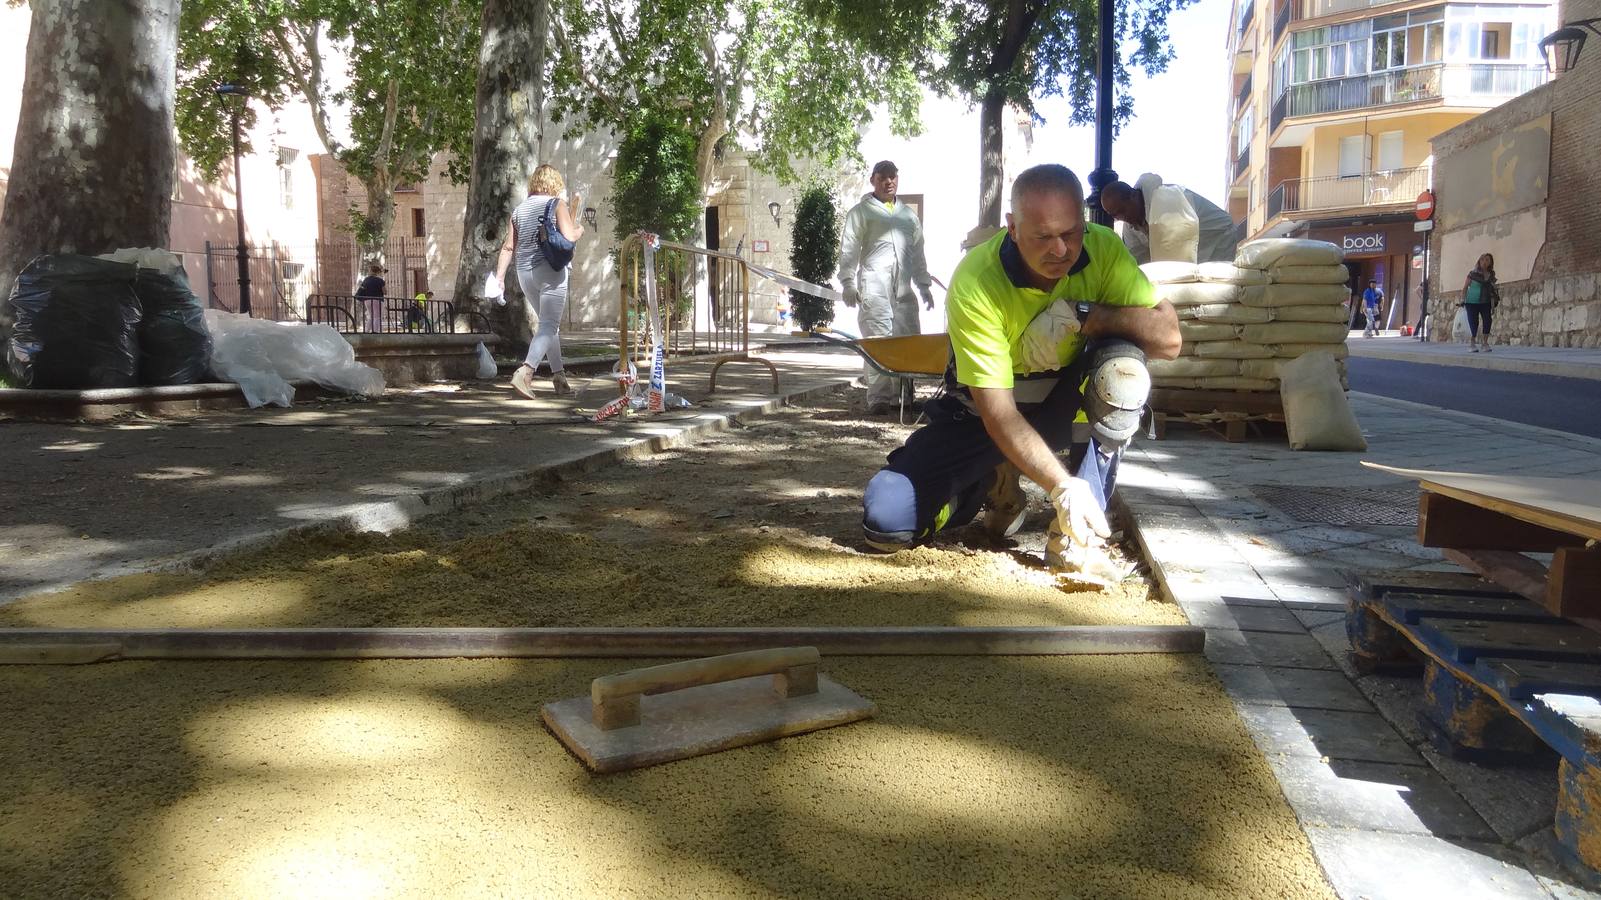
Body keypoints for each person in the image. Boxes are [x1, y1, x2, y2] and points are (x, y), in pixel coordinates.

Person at [860, 164, 1180, 580]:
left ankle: (1078, 530)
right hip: (984, 420)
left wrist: (1093, 316)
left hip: (1062, 409)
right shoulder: (978, 281)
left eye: (1069, 234)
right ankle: (986, 485)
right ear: (1012, 228)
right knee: (887, 522)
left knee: (1123, 370)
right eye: (1042, 237)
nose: (1060, 251)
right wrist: (1058, 487)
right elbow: (1000, 415)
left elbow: (1169, 339)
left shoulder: (1102, 251)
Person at [837, 160, 936, 415]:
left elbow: (917, 253)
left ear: (897, 179)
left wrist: (923, 285)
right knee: (878, 342)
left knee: (908, 343)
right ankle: (878, 399)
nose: (888, 182)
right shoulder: (861, 213)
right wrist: (848, 282)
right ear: (873, 180)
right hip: (874, 288)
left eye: (892, 177)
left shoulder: (908, 216)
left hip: (903, 291)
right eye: (883, 177)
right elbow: (849, 248)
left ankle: (903, 397)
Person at [494, 164, 585, 399]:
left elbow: (508, 247)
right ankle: (525, 372)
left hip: (525, 274)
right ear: (555, 184)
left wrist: (500, 278)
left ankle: (559, 377)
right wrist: (580, 230)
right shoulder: (556, 204)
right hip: (551, 270)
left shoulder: (519, 211)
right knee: (549, 325)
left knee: (547, 324)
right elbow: (569, 236)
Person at [1099, 174, 1237, 265]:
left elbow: (1175, 256)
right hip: (1193, 247)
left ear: (1133, 196)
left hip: (1219, 235)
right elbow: (1139, 262)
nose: (1122, 218)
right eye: (1115, 215)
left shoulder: (1167, 201)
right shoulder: (1129, 226)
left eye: (1122, 211)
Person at [1463, 253, 1499, 353]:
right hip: (1471, 302)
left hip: (1486, 301)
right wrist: (1463, 300)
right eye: (1482, 259)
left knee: (1488, 321)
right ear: (1479, 261)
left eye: (1487, 260)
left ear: (1490, 262)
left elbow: (1492, 288)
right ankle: (1472, 343)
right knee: (1473, 322)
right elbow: (1465, 288)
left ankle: (1485, 343)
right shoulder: (1472, 274)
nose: (1484, 262)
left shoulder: (1491, 275)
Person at [354, 263, 387, 332]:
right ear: (378, 272)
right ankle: (375, 331)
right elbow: (385, 292)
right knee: (377, 316)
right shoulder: (380, 280)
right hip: (377, 300)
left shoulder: (366, 280)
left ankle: (367, 331)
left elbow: (362, 289)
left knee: (371, 316)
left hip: (367, 300)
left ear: (370, 271)